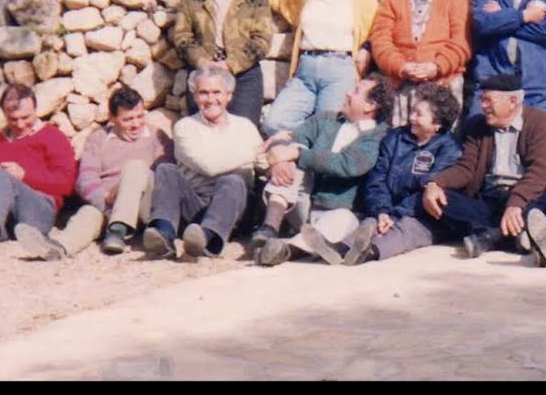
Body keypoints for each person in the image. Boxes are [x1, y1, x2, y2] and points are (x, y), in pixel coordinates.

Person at [300, 82, 461, 266]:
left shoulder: (449, 149)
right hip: (389, 210)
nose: (411, 117)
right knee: (369, 223)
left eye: (419, 114)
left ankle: (367, 253)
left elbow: (427, 192)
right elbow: (378, 179)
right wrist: (381, 211)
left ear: (438, 124)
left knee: (404, 231)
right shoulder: (395, 138)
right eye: (413, 111)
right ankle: (338, 249)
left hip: (423, 217)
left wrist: (394, 215)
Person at [421, 74, 546, 265]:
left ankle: (491, 236)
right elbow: (466, 168)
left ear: (512, 101)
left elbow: (541, 173)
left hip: (527, 199)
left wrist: (516, 203)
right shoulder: (477, 125)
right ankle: (519, 236)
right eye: (482, 99)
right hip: (491, 201)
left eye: (488, 100)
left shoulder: (539, 122)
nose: (483, 106)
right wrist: (435, 183)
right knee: (441, 199)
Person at [15, 87, 171, 260]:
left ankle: (117, 230)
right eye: (127, 119)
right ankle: (59, 247)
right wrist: (106, 199)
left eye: (140, 116)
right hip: (107, 205)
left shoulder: (157, 136)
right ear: (112, 119)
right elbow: (85, 180)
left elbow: (165, 177)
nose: (136, 124)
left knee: (135, 168)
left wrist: (125, 191)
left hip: (144, 205)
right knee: (88, 214)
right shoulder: (98, 139)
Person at [254, 75, 392, 266]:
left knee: (345, 220)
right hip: (301, 205)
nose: (347, 93)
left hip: (337, 212)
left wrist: (297, 154)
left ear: (370, 106)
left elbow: (348, 164)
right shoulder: (327, 118)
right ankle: (269, 228)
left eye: (356, 91)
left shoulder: (379, 136)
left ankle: (285, 250)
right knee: (291, 165)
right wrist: (282, 161)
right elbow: (295, 136)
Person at [142, 67, 264, 259]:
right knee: (166, 169)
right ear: (195, 96)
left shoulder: (245, 127)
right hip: (195, 204)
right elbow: (209, 166)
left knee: (232, 181)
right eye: (203, 93)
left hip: (233, 207)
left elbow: (264, 164)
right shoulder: (185, 127)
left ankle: (207, 237)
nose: (210, 99)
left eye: (217, 92)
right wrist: (253, 152)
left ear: (229, 96)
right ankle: (163, 234)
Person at [263, 0, 380, 135]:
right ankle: (301, 147)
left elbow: (379, 28)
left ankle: (310, 152)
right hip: (305, 70)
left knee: (327, 130)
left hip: (340, 69)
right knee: (273, 123)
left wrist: (366, 47)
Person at [368, 0, 471, 127]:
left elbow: (461, 42)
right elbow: (380, 40)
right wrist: (402, 66)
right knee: (401, 140)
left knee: (441, 141)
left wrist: (436, 66)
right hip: (403, 83)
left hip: (443, 82)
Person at [171, 0, 272, 123]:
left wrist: (230, 65)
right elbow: (182, 36)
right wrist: (203, 63)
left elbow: (262, 40)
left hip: (244, 75)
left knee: (243, 132)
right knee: (202, 131)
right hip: (203, 73)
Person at [0, 84, 77, 245]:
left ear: (36, 110)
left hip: (39, 208)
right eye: (13, 119)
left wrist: (24, 176)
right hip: (3, 210)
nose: (20, 125)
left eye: (26, 118)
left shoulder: (53, 136)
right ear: (4, 114)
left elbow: (67, 184)